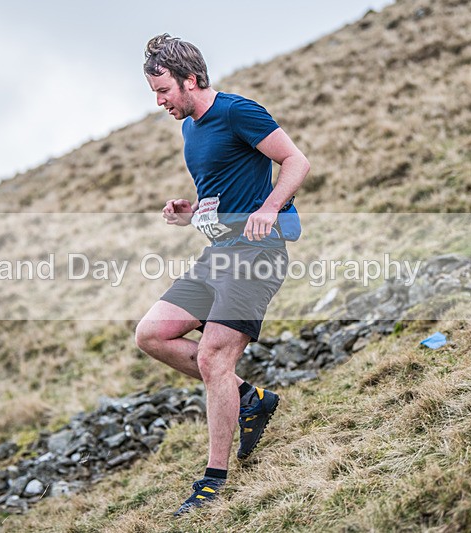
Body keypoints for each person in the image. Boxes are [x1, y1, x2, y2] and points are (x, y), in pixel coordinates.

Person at [134, 33, 310, 516]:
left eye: (164, 90)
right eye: (154, 93)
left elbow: (296, 160)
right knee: (151, 334)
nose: (159, 102)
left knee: (214, 359)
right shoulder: (190, 127)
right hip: (218, 254)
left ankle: (213, 481)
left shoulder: (238, 111)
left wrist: (272, 207)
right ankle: (249, 398)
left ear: (191, 80)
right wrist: (192, 212)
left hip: (256, 254)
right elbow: (224, 194)